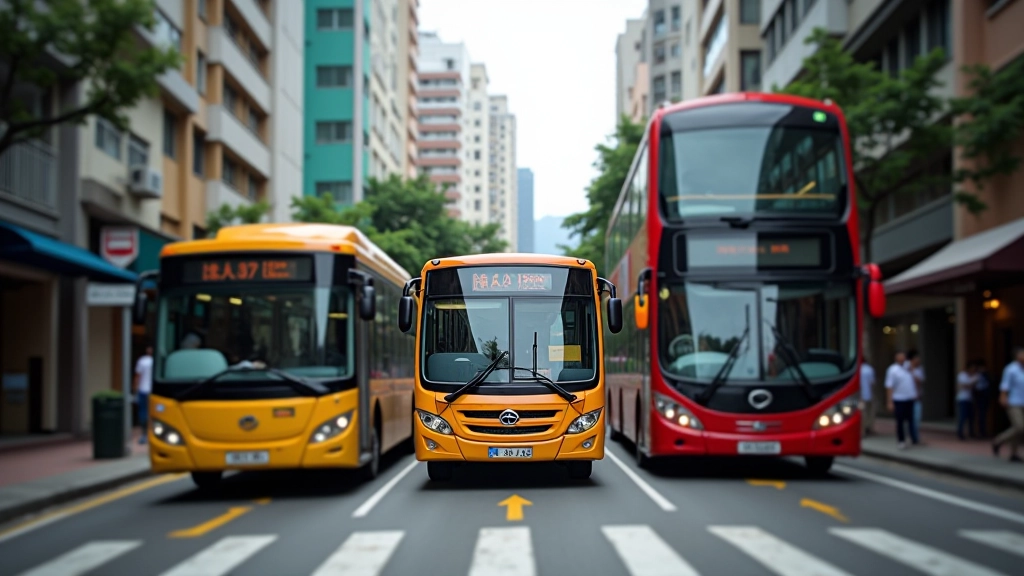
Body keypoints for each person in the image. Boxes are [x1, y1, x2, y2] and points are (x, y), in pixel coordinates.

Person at [993, 347, 1024, 463]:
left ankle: (1014, 454)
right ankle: (998, 440)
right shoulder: (1011, 369)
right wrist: (1002, 397)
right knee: (1020, 427)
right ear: (1017, 356)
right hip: (1014, 402)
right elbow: (1005, 385)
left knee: (1019, 430)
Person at [886, 351, 918, 449]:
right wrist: (889, 401)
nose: (902, 358)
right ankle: (901, 440)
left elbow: (916, 381)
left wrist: (912, 370)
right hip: (899, 399)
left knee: (911, 420)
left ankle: (913, 438)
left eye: (903, 357)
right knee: (900, 421)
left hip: (910, 398)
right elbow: (889, 386)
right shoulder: (892, 370)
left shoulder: (909, 368)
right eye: (900, 357)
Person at [133, 345, 154, 445]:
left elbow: (137, 376)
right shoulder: (145, 361)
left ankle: (145, 435)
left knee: (144, 412)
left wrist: (135, 389)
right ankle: (147, 434)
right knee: (147, 413)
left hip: (145, 390)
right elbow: (138, 376)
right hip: (147, 390)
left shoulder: (143, 361)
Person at [955, 361, 978, 441]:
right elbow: (964, 386)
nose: (973, 370)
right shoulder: (962, 375)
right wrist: (972, 382)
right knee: (963, 416)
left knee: (971, 417)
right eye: (972, 368)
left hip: (970, 399)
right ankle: (960, 432)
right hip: (962, 399)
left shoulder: (974, 376)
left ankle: (971, 432)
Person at [905, 349, 925, 431]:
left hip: (916, 397)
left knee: (916, 418)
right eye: (917, 358)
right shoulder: (904, 367)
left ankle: (915, 437)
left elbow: (919, 381)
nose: (919, 360)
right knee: (907, 419)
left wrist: (912, 371)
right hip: (906, 397)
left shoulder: (919, 369)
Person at [974, 360, 991, 438]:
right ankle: (980, 432)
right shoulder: (976, 375)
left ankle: (983, 431)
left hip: (986, 397)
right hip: (979, 398)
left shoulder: (986, 375)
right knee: (981, 415)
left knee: (983, 415)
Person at [860, 355, 877, 435]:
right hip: (868, 394)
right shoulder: (869, 369)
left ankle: (862, 431)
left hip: (859, 395)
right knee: (869, 413)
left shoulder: (857, 370)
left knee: (862, 413)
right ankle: (869, 428)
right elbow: (872, 382)